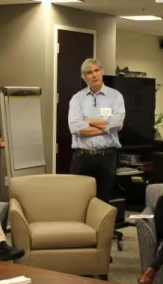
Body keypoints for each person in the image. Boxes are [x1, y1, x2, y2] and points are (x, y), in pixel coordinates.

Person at [66, 58, 126, 202]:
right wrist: (107, 128)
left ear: (101, 72)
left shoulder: (115, 96)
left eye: (96, 70)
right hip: (82, 157)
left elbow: (117, 123)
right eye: (89, 72)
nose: (94, 75)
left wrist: (88, 121)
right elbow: (75, 128)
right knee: (78, 199)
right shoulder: (77, 99)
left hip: (106, 157)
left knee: (103, 199)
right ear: (84, 77)